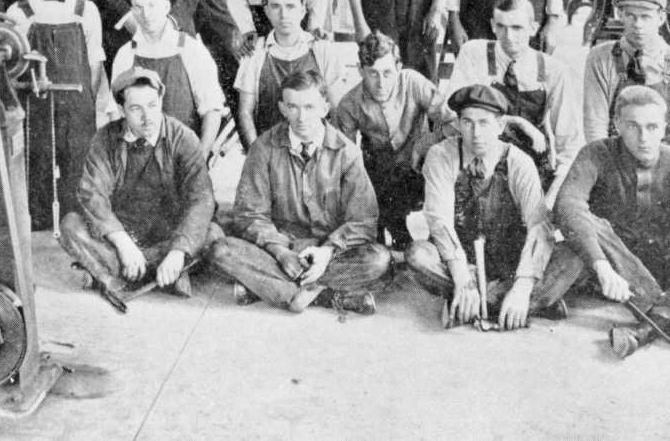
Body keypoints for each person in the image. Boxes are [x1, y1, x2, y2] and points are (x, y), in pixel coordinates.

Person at [542, 86, 670, 359]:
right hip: (608, 264)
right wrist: (602, 266)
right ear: (617, 126)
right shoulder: (596, 154)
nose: (644, 137)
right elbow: (568, 204)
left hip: (660, 264)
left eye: (652, 127)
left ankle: (651, 324)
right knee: (586, 232)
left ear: (664, 129)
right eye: (633, 126)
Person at [211, 69, 393, 314]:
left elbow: (363, 220)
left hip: (327, 251)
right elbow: (249, 215)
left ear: (325, 108)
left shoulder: (346, 152)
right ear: (282, 108)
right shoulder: (263, 149)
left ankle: (267, 288)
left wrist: (327, 251)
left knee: (379, 260)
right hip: (278, 249)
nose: (301, 117)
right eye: (293, 107)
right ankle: (330, 297)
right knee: (222, 250)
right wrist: (281, 252)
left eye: (309, 107)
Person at [408, 85, 562, 329]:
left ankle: (487, 301)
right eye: (468, 122)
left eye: (484, 123)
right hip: (458, 259)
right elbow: (439, 222)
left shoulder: (519, 162)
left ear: (500, 126)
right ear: (458, 125)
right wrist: (462, 278)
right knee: (418, 256)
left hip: (507, 261)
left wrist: (522, 286)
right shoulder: (440, 155)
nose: (476, 133)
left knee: (569, 258)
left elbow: (539, 224)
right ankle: (508, 301)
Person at [61, 68, 221, 302]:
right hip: (124, 236)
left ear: (161, 101)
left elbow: (201, 198)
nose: (148, 117)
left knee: (213, 234)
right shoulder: (105, 139)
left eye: (153, 105)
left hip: (169, 236)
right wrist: (123, 243)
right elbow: (92, 194)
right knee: (70, 225)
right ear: (122, 109)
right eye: (136, 109)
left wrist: (178, 252)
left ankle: (111, 274)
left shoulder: (183, 137)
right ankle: (158, 274)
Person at [6, 0, 112, 230]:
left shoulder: (86, 10)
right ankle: (38, 228)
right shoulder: (20, 11)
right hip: (36, 105)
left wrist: (86, 105)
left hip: (77, 104)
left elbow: (94, 64)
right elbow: (13, 68)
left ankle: (74, 229)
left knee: (78, 169)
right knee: (36, 167)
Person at [446, 0, 581, 191]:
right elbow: (452, 116)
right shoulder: (473, 53)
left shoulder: (553, 70)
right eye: (501, 27)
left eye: (517, 28)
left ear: (533, 28)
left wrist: (552, 197)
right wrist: (518, 122)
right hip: (482, 164)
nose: (508, 37)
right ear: (492, 25)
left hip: (532, 169)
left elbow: (569, 143)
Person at [330, 33, 452, 251]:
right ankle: (383, 232)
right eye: (372, 74)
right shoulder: (349, 104)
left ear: (399, 66)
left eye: (388, 73)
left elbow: (453, 123)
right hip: (379, 173)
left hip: (419, 166)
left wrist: (426, 142)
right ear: (360, 71)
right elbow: (345, 161)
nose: (381, 84)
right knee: (372, 239)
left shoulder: (413, 82)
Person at [584, 0, 670, 167]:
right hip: (616, 170)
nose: (638, 25)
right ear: (620, 16)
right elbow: (595, 129)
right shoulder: (600, 58)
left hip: (669, 172)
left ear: (660, 18)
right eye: (630, 16)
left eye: (646, 17)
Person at [108, 0, 226, 163]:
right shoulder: (126, 53)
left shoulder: (190, 49)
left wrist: (199, 161)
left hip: (184, 158)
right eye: (138, 7)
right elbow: (115, 112)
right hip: (139, 160)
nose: (146, 14)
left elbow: (212, 111)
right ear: (132, 11)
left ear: (166, 7)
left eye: (152, 5)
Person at [235, 0, 350, 148]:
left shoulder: (321, 50)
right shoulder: (255, 54)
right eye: (276, 7)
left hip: (315, 151)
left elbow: (337, 111)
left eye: (290, 6)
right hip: (270, 153)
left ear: (303, 10)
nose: (283, 15)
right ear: (266, 11)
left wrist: (328, 154)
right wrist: (256, 154)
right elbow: (245, 113)